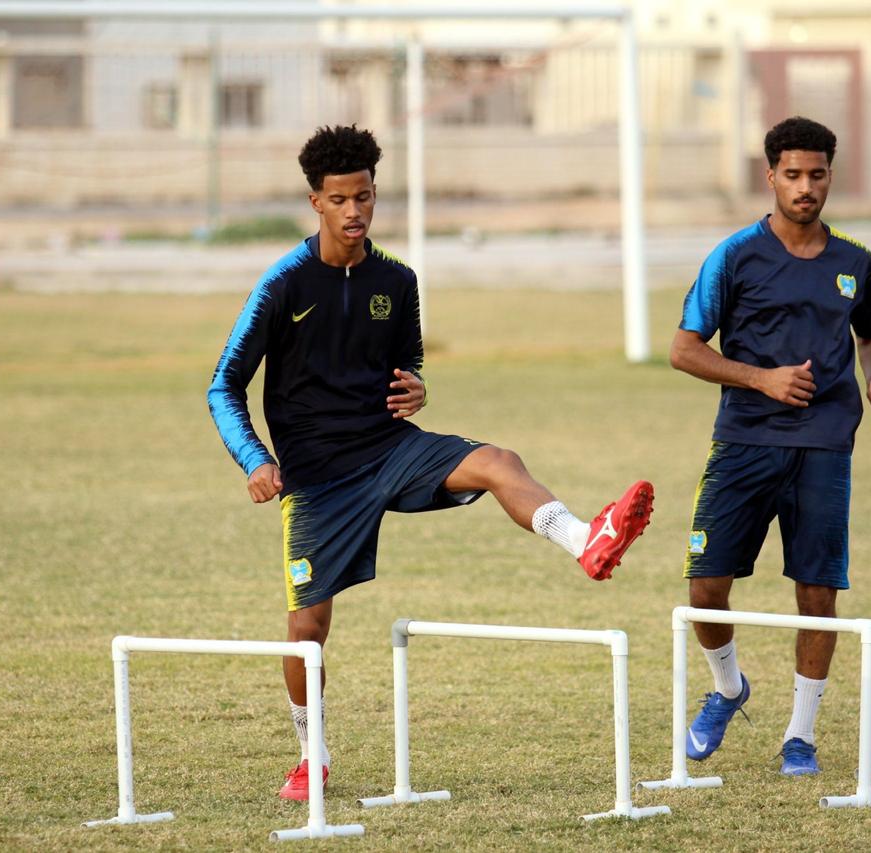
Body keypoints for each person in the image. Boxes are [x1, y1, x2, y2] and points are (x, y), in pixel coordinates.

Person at [207, 124, 654, 801]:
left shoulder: (399, 280)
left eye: (364, 197)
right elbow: (223, 385)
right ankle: (312, 753)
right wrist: (254, 460)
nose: (355, 211)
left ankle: (586, 540)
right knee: (308, 628)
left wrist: (418, 386)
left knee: (500, 459)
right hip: (318, 479)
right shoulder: (283, 284)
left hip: (390, 449)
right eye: (339, 199)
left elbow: (408, 366)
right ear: (315, 203)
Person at [669, 116, 871, 776]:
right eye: (792, 175)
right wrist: (761, 378)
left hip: (826, 444)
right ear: (769, 175)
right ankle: (728, 686)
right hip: (743, 440)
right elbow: (683, 349)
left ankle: (800, 735)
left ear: (832, 175)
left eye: (817, 175)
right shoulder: (736, 256)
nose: (805, 188)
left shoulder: (855, 262)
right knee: (704, 586)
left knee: (818, 593)